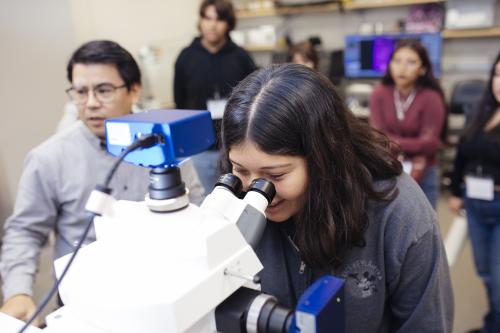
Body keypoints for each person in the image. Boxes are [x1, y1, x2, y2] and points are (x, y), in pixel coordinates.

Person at [221, 64, 453, 331]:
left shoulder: (400, 214)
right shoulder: (233, 202)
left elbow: (427, 324)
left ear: (322, 157)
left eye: (275, 174)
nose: (257, 192)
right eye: (240, 170)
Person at [0, 40, 204, 325]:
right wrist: (17, 291)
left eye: (104, 90)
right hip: (83, 304)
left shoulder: (167, 145)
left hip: (161, 292)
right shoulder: (48, 158)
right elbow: (24, 231)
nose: (92, 103)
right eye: (81, 92)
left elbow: (196, 209)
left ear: (134, 89)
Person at [174, 0, 256, 191]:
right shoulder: (186, 57)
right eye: (207, 18)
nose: (212, 25)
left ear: (228, 24)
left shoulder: (241, 57)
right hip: (197, 147)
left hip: (236, 146)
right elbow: (179, 102)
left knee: (236, 199)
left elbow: (254, 102)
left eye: (219, 19)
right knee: (202, 199)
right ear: (200, 21)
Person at [449, 52, 500, 333]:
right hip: (476, 203)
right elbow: (462, 154)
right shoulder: (484, 111)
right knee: (487, 275)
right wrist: (456, 191)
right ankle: (492, 323)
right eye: (498, 74)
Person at [369, 40, 446, 209]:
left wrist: (392, 140)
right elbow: (376, 139)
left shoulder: (431, 97)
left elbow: (430, 145)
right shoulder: (378, 94)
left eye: (411, 62)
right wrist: (414, 144)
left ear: (422, 69)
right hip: (386, 171)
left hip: (424, 174)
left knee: (422, 232)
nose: (402, 68)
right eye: (397, 61)